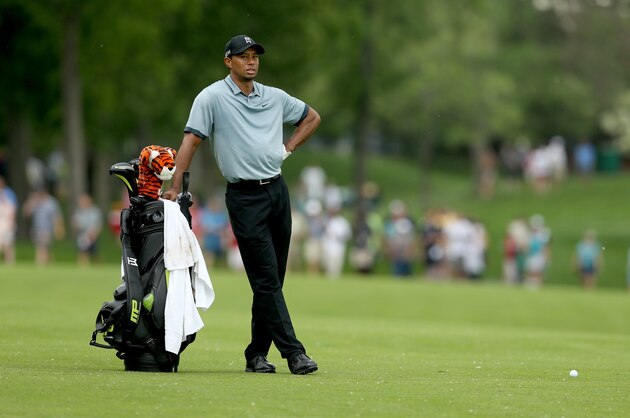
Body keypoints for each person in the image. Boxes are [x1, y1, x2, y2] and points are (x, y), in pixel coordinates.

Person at [163, 35, 321, 375]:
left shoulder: (274, 97)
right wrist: (175, 185)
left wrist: (288, 148)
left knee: (273, 280)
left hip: (277, 193)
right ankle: (294, 353)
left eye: (255, 56)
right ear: (228, 61)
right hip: (244, 198)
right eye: (243, 56)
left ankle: (256, 355)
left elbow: (311, 118)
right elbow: (191, 141)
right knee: (265, 279)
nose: (251, 61)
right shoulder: (211, 98)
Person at [23, 188, 65, 265]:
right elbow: (26, 213)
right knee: (39, 247)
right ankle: (41, 264)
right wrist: (31, 201)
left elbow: (56, 216)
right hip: (36, 228)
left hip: (48, 229)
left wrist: (58, 228)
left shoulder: (51, 203)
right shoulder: (35, 202)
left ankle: (44, 264)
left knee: (45, 247)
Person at [72, 193, 103, 265]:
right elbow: (75, 223)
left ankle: (98, 266)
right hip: (82, 235)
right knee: (82, 252)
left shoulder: (95, 211)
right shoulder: (79, 212)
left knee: (94, 253)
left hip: (93, 235)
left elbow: (98, 224)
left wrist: (94, 233)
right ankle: (83, 267)